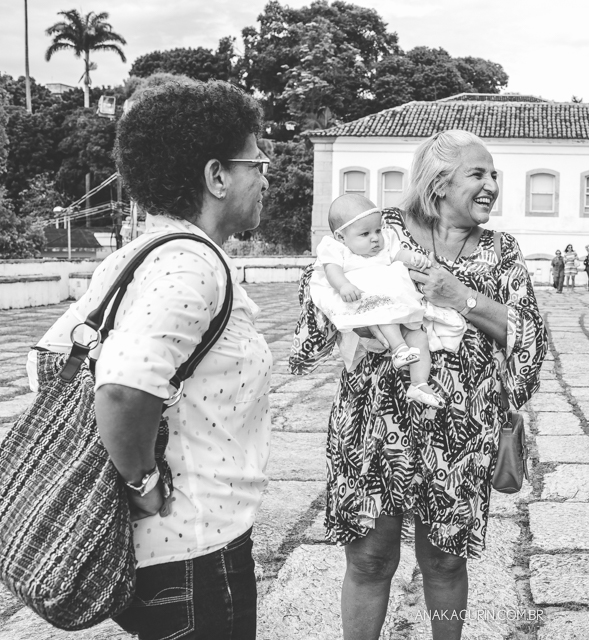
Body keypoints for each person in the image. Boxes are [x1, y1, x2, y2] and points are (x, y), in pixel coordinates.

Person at [24, 79, 271, 639]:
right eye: (257, 163)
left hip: (155, 555)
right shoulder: (192, 265)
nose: (265, 177)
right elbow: (122, 387)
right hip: (194, 553)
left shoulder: (140, 254)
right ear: (216, 176)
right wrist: (142, 482)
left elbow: (47, 363)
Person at [290, 129, 546, 640]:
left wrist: (461, 297)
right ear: (439, 183)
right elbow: (318, 289)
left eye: (494, 175)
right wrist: (355, 318)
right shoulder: (378, 229)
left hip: (459, 429)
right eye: (478, 174)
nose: (492, 185)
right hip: (373, 422)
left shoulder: (501, 250)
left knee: (446, 562)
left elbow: (530, 333)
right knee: (369, 558)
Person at [309, 193, 465, 408]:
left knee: (419, 336)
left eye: (378, 230)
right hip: (369, 303)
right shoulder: (336, 249)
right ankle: (399, 348)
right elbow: (331, 271)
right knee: (384, 314)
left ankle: (419, 384)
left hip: (397, 305)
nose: (375, 238)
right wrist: (343, 285)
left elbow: (399, 254)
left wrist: (414, 258)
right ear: (341, 237)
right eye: (365, 233)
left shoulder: (385, 244)